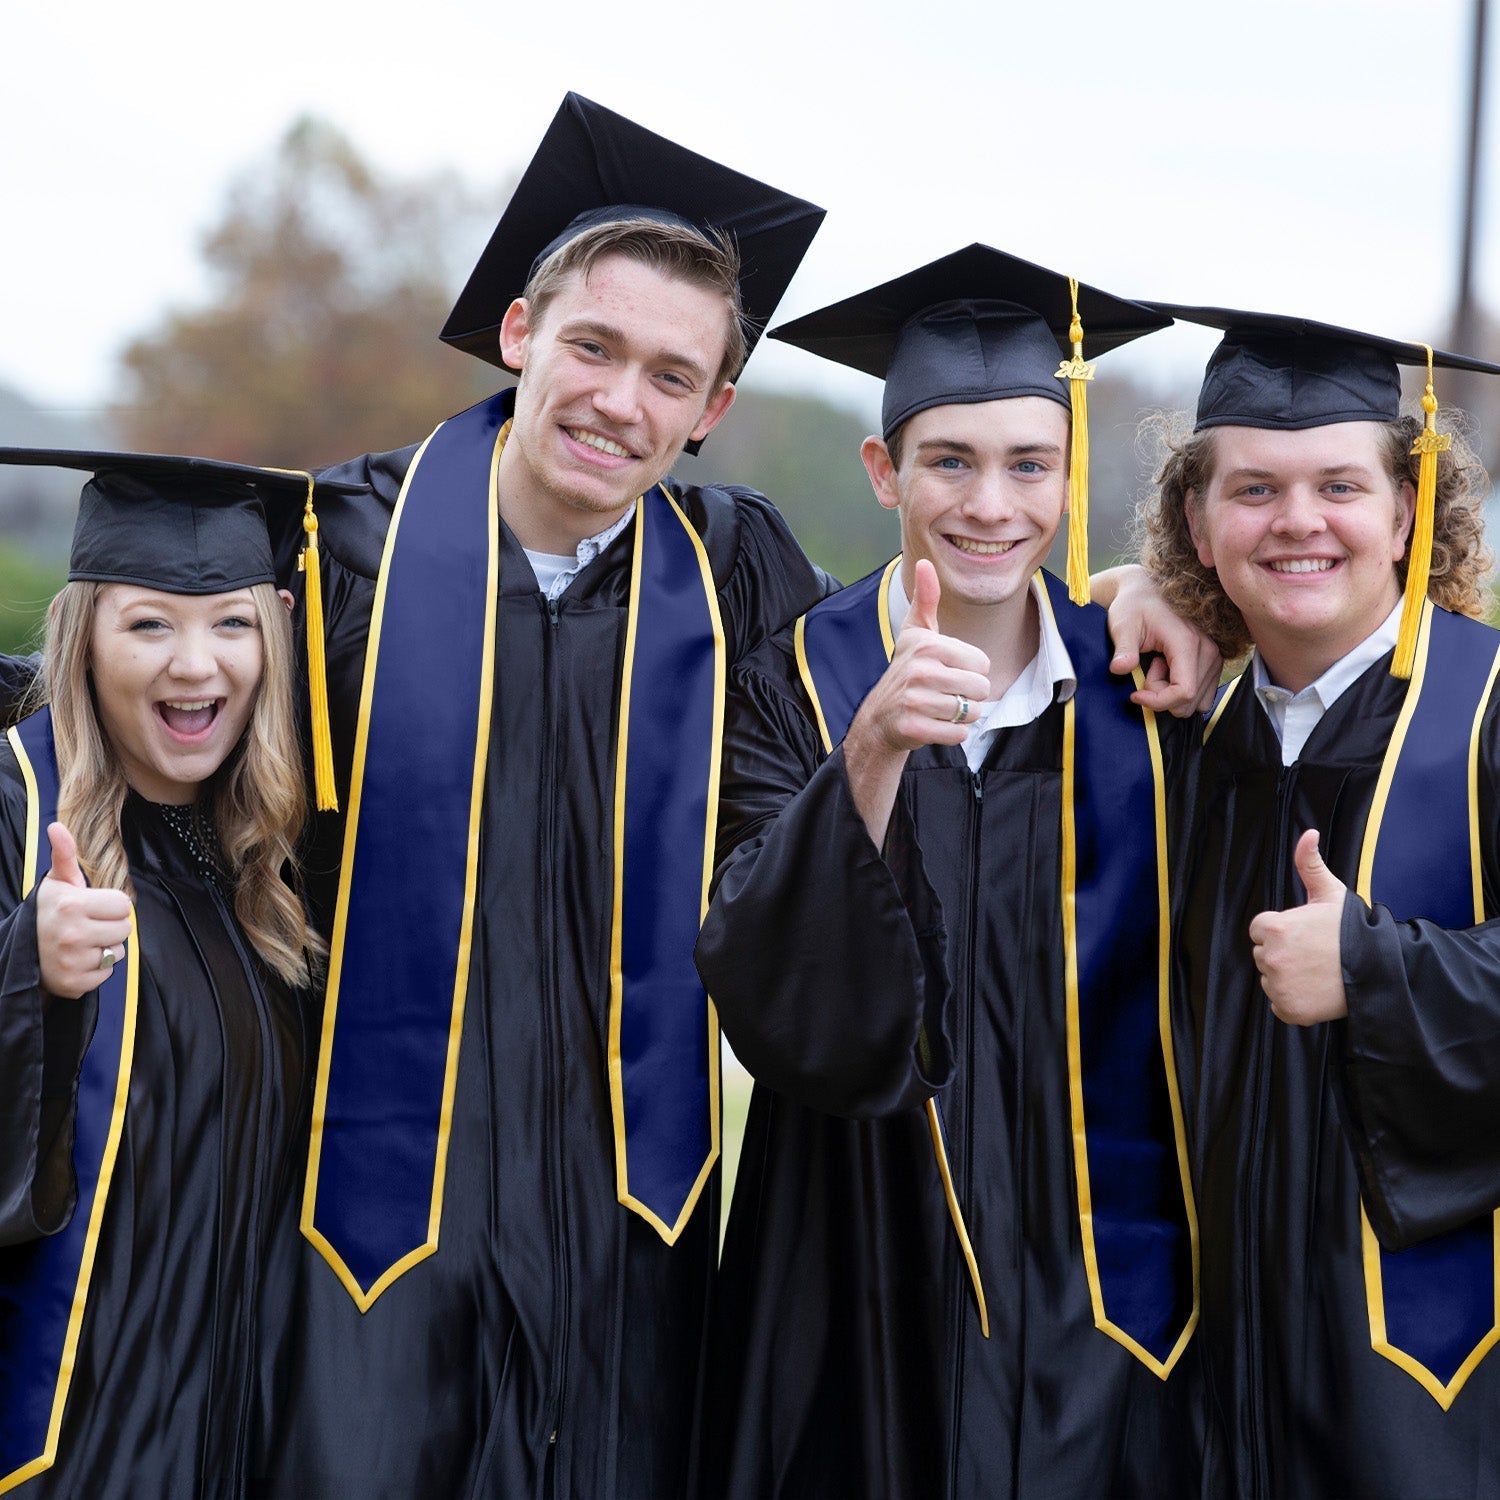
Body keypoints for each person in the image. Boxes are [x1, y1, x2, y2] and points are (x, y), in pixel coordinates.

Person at [252, 95, 829, 1499]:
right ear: (520, 334)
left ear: (711, 413)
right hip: (370, 1216)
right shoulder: (340, 551)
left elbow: (903, 711)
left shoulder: (735, 573)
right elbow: (136, 708)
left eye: (670, 376)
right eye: (593, 346)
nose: (620, 401)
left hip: (632, 1221)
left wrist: (1145, 609)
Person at [693, 245, 1203, 1499]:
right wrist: (869, 746)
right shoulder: (791, 681)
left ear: (1070, 473)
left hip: (1105, 1303)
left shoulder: (1151, 692)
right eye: (950, 461)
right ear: (885, 473)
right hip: (854, 1275)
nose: (993, 504)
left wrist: (1178, 596)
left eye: (1030, 464)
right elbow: (765, 991)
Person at [1134, 306, 1500, 1498]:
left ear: (1407, 508)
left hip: (1445, 1395)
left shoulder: (1489, 711)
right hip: (1219, 1393)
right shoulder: (1176, 742)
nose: (1298, 522)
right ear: (1196, 520)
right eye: (1254, 490)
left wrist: (1377, 969)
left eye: (1339, 485)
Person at [0, 451, 337, 1498]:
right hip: (70, 1431)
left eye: (232, 625)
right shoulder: (15, 809)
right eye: (150, 624)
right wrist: (29, 973)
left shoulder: (272, 865)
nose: (197, 666)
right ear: (84, 638)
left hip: (234, 1421)